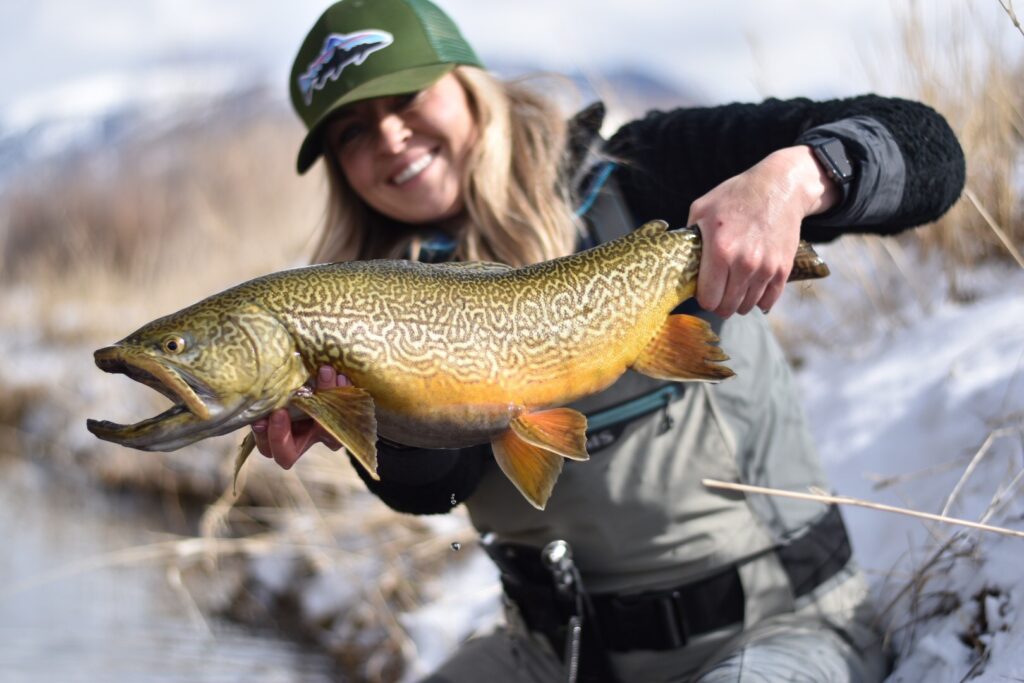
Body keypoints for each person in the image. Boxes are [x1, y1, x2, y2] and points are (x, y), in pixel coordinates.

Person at [251, 1, 966, 680]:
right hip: (551, 657)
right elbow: (439, 490)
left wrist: (797, 178)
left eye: (406, 98)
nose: (389, 137)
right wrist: (375, 420)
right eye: (351, 132)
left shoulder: (648, 171)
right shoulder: (365, 307)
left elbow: (931, 151)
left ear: (469, 86)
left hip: (777, 628)